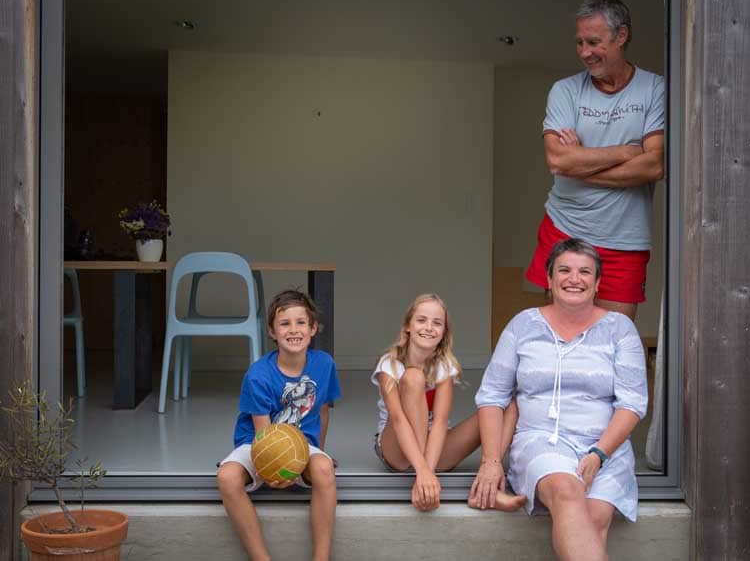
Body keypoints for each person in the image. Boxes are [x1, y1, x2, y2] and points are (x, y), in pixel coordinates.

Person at [472, 238, 648, 561]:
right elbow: (492, 396)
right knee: (568, 494)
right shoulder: (523, 325)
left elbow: (632, 403)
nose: (574, 278)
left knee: (593, 520)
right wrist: (491, 461)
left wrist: (599, 453)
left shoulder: (620, 329)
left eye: (585, 272)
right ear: (549, 280)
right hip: (542, 440)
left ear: (597, 284)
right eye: (564, 270)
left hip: (604, 448)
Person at [525, 0, 665, 321]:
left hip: (625, 239)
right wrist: (627, 152)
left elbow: (654, 164)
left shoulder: (654, 89)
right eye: (579, 42)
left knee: (613, 342)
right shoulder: (565, 91)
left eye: (593, 42)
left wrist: (580, 164)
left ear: (621, 36)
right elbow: (558, 160)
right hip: (565, 227)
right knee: (561, 336)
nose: (584, 52)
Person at [371, 293, 526, 512]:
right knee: (413, 377)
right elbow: (398, 421)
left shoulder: (444, 365)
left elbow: (441, 422)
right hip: (397, 450)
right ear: (408, 325)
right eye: (421, 320)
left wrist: (429, 469)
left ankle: (490, 487)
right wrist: (423, 472)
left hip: (434, 449)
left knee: (508, 407)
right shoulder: (390, 363)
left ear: (444, 332)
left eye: (437, 323)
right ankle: (422, 472)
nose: (428, 327)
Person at [217, 290, 341, 561]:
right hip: (259, 444)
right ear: (272, 332)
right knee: (227, 477)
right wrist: (275, 470)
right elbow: (265, 437)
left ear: (313, 328)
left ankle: (321, 558)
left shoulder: (324, 364)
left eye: (301, 323)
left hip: (302, 445)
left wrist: (319, 452)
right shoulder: (258, 375)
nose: (293, 330)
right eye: (285, 324)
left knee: (324, 468)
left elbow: (321, 412)